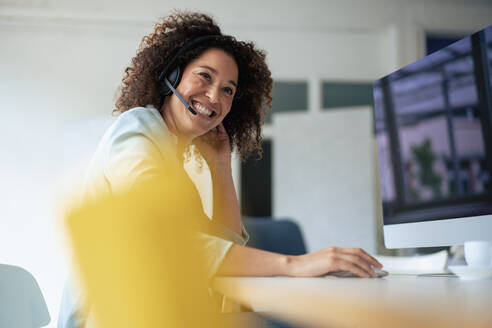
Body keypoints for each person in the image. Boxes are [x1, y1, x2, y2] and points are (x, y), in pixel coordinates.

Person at [59, 11, 382, 328]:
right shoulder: (138, 128)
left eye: (228, 89)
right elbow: (169, 242)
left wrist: (220, 166)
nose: (214, 96)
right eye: (205, 76)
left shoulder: (173, 161)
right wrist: (294, 264)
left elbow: (220, 249)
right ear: (173, 74)